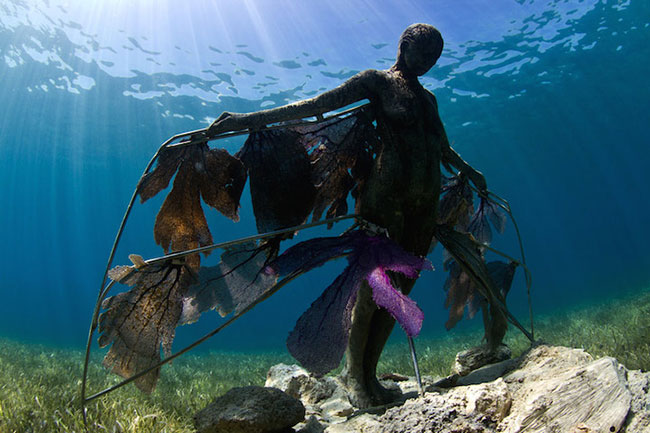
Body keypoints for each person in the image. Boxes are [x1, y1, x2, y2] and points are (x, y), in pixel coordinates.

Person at [208, 23, 488, 407]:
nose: (427, 62)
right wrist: (245, 120)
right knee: (376, 289)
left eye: (435, 57)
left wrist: (470, 171)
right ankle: (356, 377)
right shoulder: (377, 82)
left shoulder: (430, 100)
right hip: (385, 199)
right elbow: (316, 106)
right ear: (404, 47)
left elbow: (442, 148)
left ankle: (371, 375)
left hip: (424, 204)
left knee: (400, 293)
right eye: (422, 52)